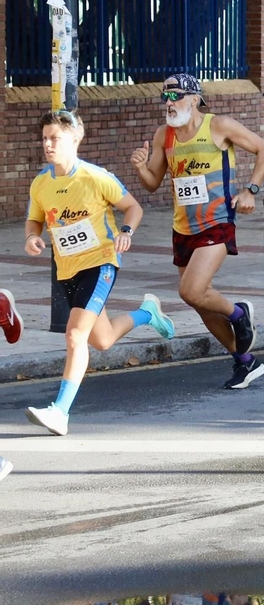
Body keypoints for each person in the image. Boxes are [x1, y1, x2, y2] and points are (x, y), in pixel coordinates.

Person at [22, 110, 175, 435]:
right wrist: (32, 237)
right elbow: (34, 219)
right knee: (102, 339)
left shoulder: (95, 177)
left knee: (75, 335)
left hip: (100, 263)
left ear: (74, 139)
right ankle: (148, 313)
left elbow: (133, 207)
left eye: (55, 138)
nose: (48, 144)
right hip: (67, 269)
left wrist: (126, 232)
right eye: (45, 138)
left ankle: (60, 412)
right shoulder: (41, 183)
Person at [134, 73, 264, 389]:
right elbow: (153, 183)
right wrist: (141, 168)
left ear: (194, 99)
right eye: (165, 97)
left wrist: (251, 190)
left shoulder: (218, 126)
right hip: (182, 227)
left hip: (217, 221)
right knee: (200, 302)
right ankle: (245, 362)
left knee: (191, 291)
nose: (168, 103)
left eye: (175, 96)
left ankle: (239, 314)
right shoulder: (164, 135)